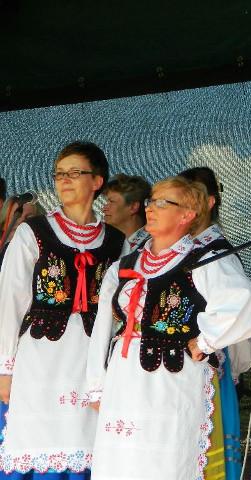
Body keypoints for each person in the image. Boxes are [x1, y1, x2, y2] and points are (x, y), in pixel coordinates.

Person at [86, 176, 251, 480]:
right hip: (124, 376)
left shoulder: (203, 261)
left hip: (174, 378)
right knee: (121, 461)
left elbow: (245, 303)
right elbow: (103, 326)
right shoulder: (125, 265)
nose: (151, 208)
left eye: (163, 202)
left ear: (187, 215)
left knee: (165, 461)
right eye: (151, 200)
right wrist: (95, 385)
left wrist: (205, 341)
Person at [0, 142, 125, 477]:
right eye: (59, 174)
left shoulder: (116, 242)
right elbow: (9, 302)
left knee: (88, 447)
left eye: (74, 173)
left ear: (97, 181)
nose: (64, 180)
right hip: (41, 359)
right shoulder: (33, 232)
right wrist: (5, 369)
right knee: (40, 447)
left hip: (91, 360)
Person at [178, 166, 251, 480]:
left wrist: (204, 342)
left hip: (202, 368)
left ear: (210, 202)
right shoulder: (178, 248)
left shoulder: (212, 251)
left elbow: (242, 306)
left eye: (192, 197)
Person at [102, 173, 151, 251]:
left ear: (133, 207)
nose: (104, 208)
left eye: (111, 201)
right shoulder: (105, 245)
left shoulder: (154, 246)